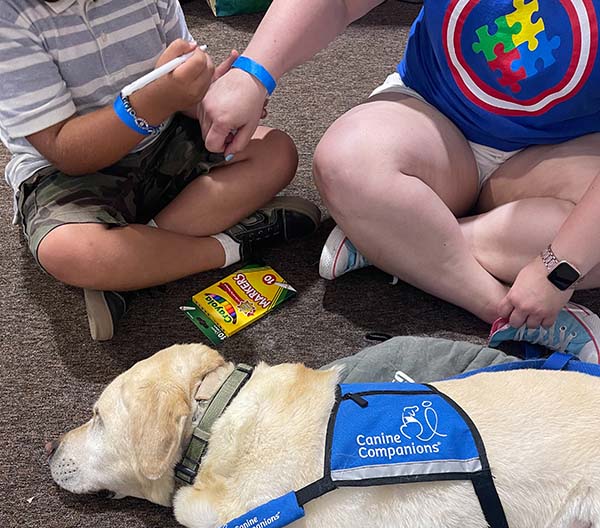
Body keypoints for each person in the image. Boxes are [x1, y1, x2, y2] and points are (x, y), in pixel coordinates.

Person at [200, 0, 600, 362]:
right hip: (430, 117)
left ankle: (388, 240)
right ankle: (499, 309)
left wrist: (558, 267)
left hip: (556, 153)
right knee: (349, 161)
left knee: (587, 243)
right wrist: (252, 74)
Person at [0, 0, 320, 340]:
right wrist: (156, 100)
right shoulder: (10, 20)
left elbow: (181, 83)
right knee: (67, 250)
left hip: (165, 140)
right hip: (70, 177)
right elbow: (67, 151)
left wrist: (210, 98)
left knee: (276, 153)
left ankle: (135, 267)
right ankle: (229, 246)